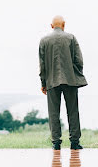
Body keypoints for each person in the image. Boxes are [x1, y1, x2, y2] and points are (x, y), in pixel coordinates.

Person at [39, 15, 87, 150]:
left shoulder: (44, 40)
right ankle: (75, 142)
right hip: (70, 80)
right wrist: (76, 75)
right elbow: (79, 60)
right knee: (73, 111)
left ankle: (56, 142)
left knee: (53, 112)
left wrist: (43, 82)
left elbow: (42, 65)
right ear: (64, 24)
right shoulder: (71, 38)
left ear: (51, 26)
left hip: (51, 80)